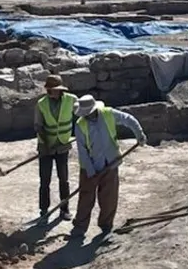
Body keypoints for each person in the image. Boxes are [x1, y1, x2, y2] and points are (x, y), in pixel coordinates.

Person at [70, 94, 145, 240]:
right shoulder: (80, 125)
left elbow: (128, 119)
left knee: (109, 197)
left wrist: (139, 134)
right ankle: (79, 227)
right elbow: (82, 151)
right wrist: (91, 172)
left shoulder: (108, 114)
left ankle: (106, 225)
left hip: (110, 163)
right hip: (89, 166)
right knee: (86, 198)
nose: (86, 116)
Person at [33, 74, 76, 223]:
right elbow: (39, 126)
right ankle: (44, 211)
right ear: (48, 90)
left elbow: (82, 114)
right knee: (45, 180)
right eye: (53, 89)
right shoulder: (41, 104)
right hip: (45, 147)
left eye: (58, 89)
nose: (56, 92)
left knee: (64, 179)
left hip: (62, 145)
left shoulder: (71, 100)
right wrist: (46, 146)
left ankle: (64, 210)